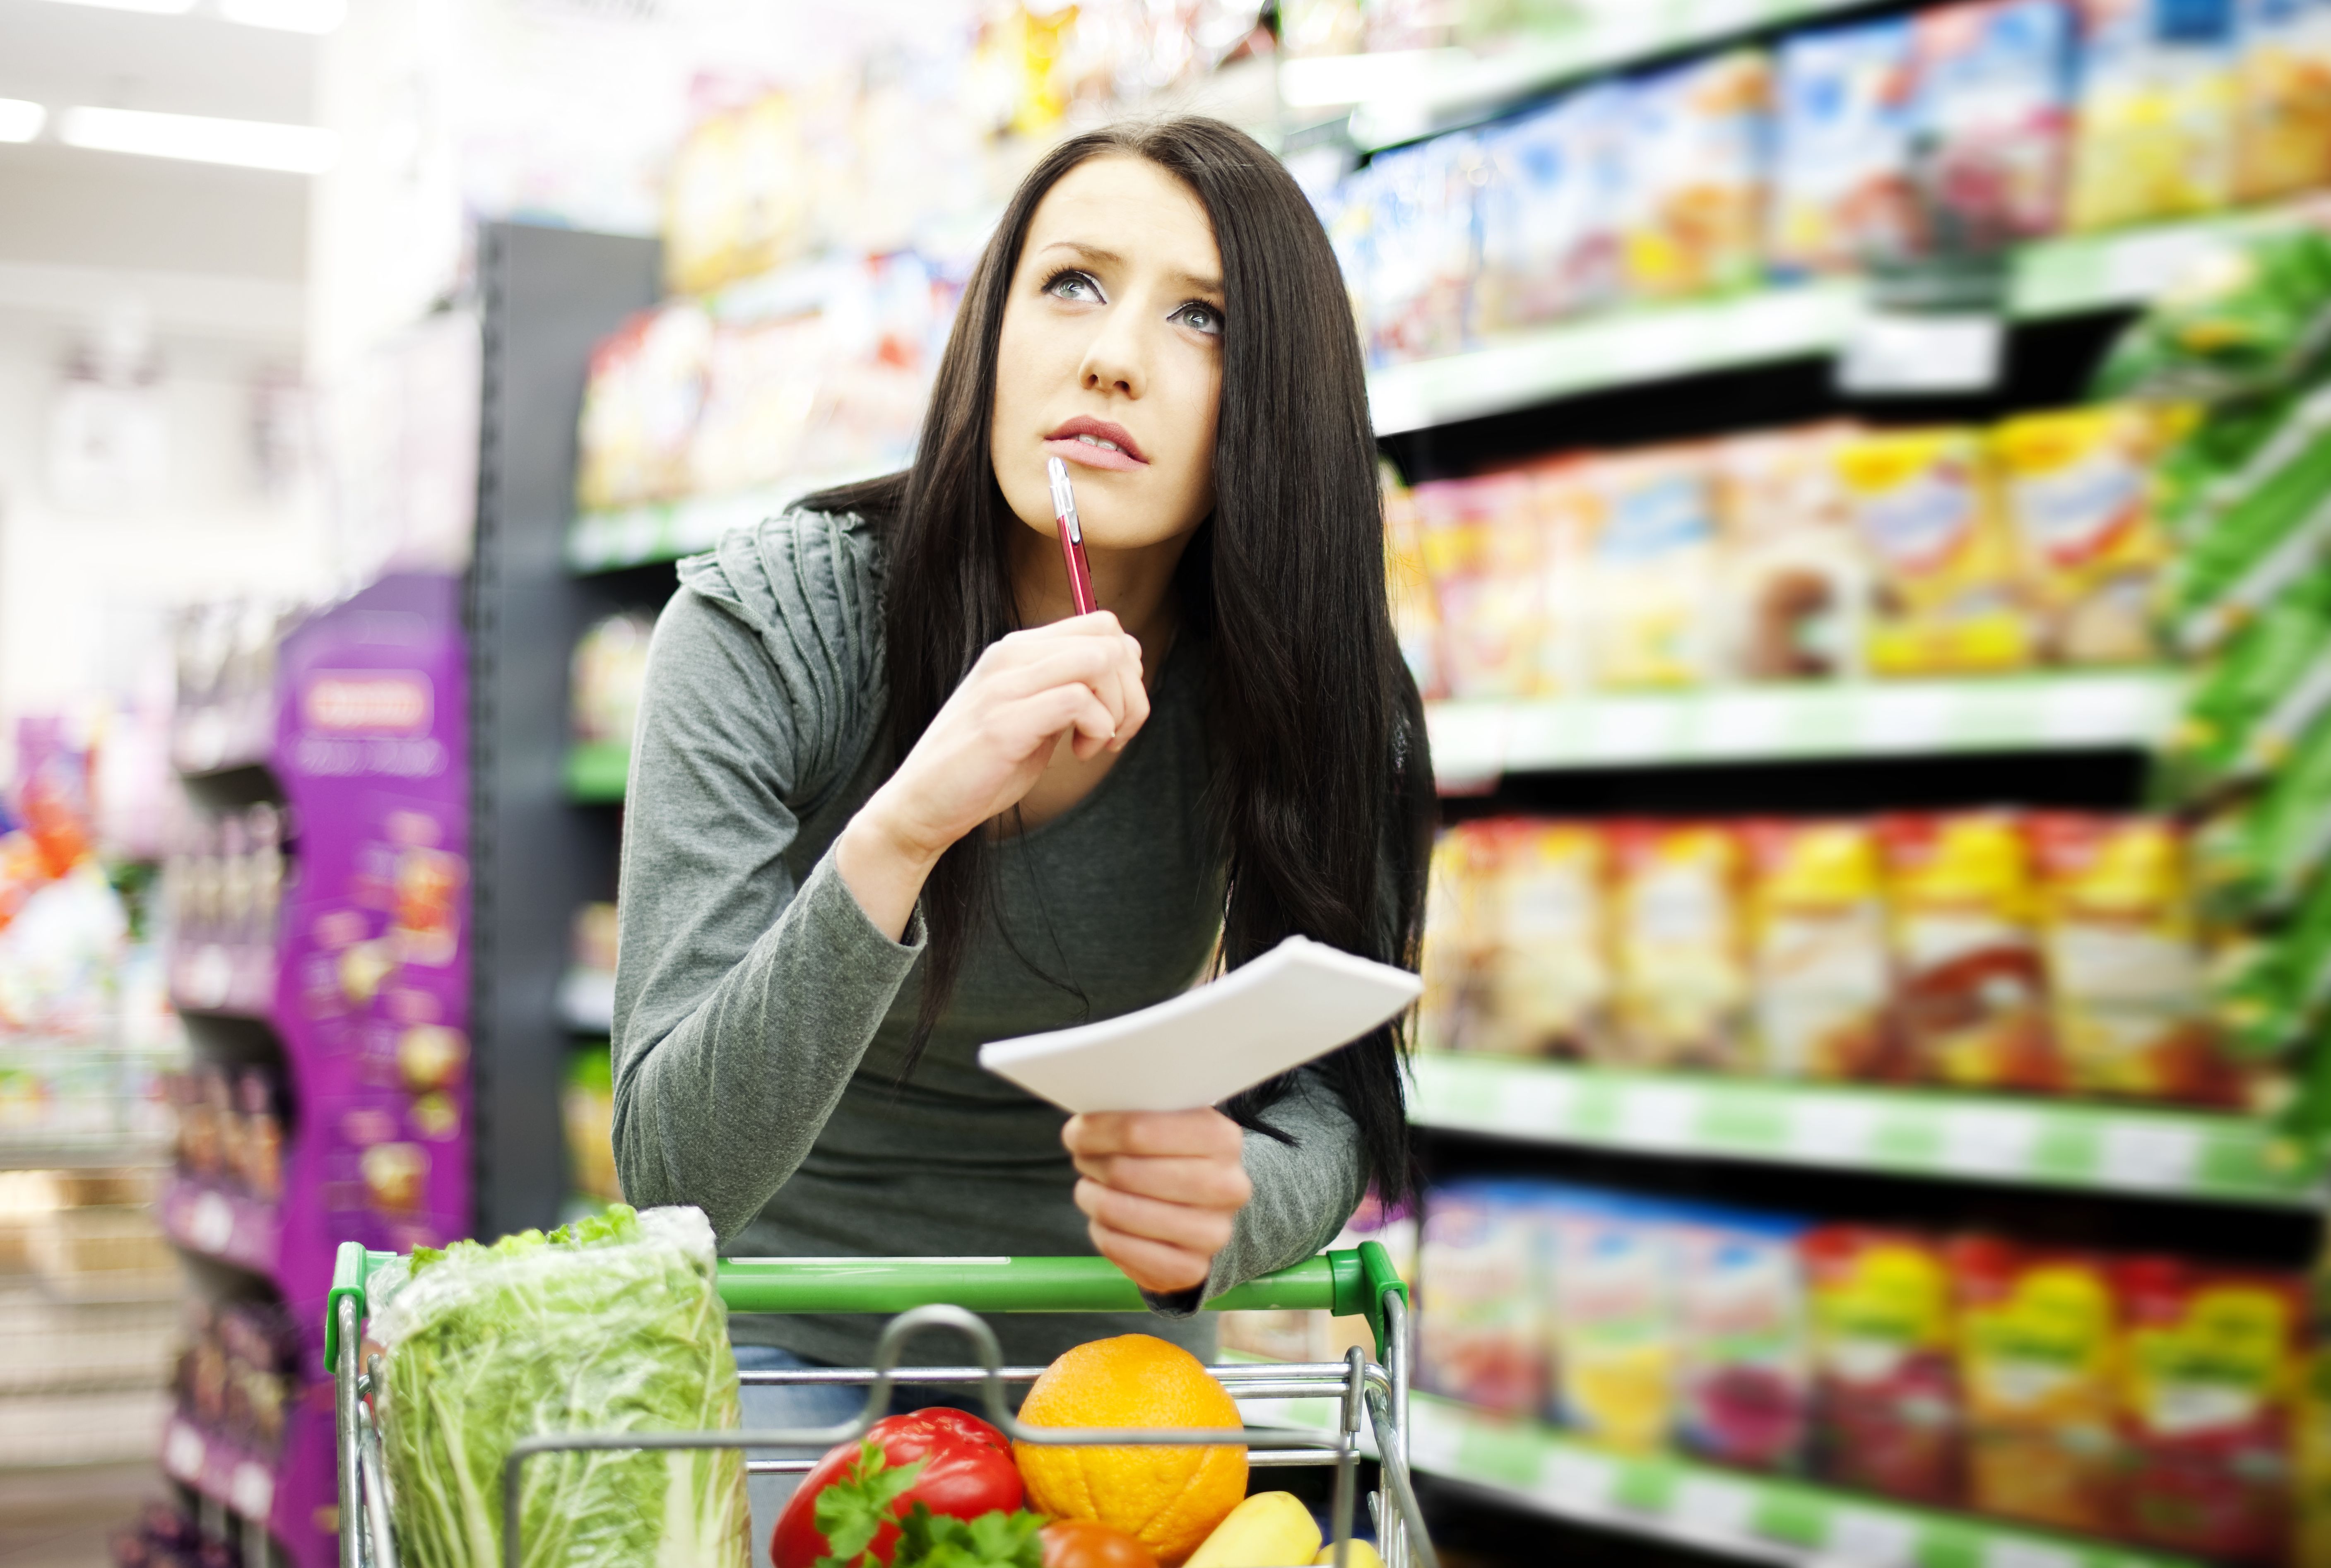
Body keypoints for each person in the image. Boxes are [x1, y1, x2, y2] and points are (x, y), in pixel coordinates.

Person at [611, 115, 1434, 1539]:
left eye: (1202, 317)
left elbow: (1336, 1098)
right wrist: (907, 822)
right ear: (990, 334)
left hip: (1107, 1370)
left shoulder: (1314, 689)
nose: (1112, 351)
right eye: (1071, 283)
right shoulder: (765, 628)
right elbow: (670, 1170)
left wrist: (1231, 1208)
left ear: (1279, 400)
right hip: (778, 1329)